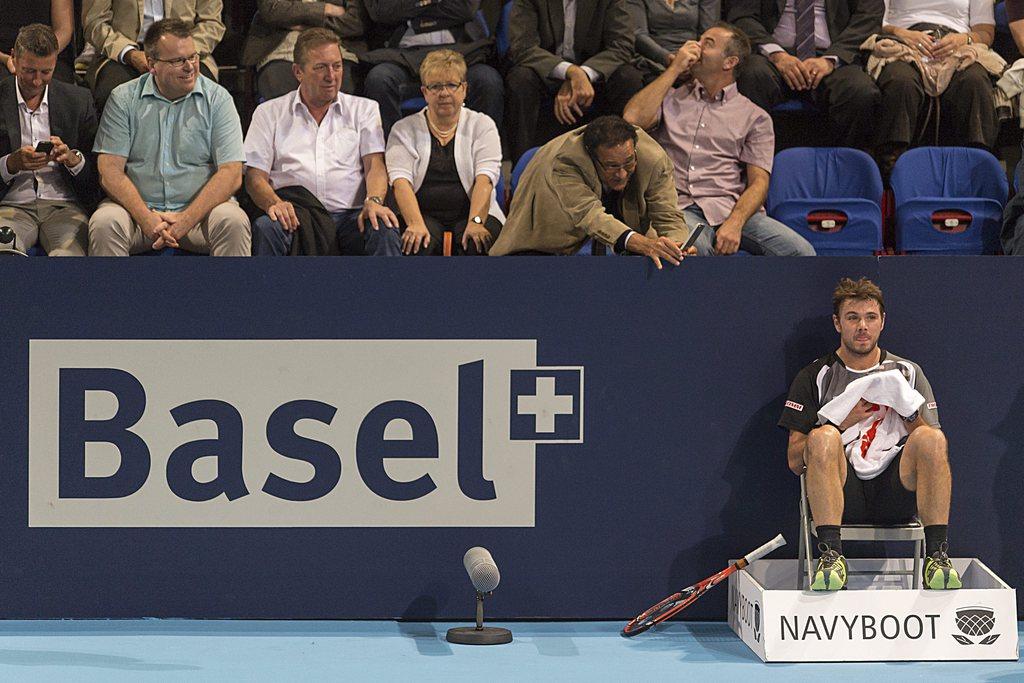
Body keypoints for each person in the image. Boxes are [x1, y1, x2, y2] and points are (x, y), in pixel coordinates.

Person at [779, 277, 959, 591]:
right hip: (840, 492)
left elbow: (932, 452)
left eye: (870, 317)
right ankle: (831, 555)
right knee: (822, 437)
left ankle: (938, 556)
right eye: (853, 318)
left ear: (882, 322)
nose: (862, 326)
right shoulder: (815, 375)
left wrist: (904, 407)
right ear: (838, 323)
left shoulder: (907, 372)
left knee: (933, 438)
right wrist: (840, 421)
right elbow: (795, 460)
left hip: (896, 491)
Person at [624, 22, 815, 256]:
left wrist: (735, 223)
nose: (694, 47)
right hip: (679, 208)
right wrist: (674, 69)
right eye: (699, 40)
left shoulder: (755, 116)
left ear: (730, 62)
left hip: (730, 208)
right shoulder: (670, 98)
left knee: (801, 253)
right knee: (696, 251)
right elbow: (632, 119)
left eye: (708, 44)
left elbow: (759, 183)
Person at [89, 19, 250, 256]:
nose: (190, 67)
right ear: (152, 63)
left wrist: (184, 221)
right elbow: (110, 171)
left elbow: (231, 173)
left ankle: (230, 295)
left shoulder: (218, 99)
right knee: (105, 222)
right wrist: (146, 218)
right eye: (178, 60)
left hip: (199, 217)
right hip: (139, 216)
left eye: (193, 57)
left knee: (233, 221)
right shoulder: (123, 99)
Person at [244, 28, 399, 256]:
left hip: (351, 215)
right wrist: (273, 203)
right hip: (297, 216)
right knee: (268, 226)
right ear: (298, 71)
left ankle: (386, 293)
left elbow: (374, 165)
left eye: (337, 66)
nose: (331, 75)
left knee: (382, 225)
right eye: (320, 67)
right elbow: (255, 177)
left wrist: (374, 200)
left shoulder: (364, 109)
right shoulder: (269, 113)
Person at [489, 115, 694, 267]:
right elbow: (590, 216)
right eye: (612, 166)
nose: (622, 174)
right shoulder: (565, 162)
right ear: (592, 158)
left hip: (625, 218)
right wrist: (645, 244)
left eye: (628, 163)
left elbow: (668, 215)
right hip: (548, 226)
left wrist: (676, 247)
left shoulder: (655, 159)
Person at [386, 49, 504, 256]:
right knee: (414, 244)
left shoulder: (483, 125)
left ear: (464, 89)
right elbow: (400, 183)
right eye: (436, 86)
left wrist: (476, 222)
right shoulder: (403, 129)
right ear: (424, 92)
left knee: (478, 243)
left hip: (473, 213)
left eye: (451, 85)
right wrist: (415, 223)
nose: (444, 93)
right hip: (421, 214)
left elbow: (485, 180)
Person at [728, 0, 882, 149]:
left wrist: (831, 59)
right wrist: (776, 54)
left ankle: (841, 167)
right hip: (772, 54)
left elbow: (870, 16)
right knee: (752, 74)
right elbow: (742, 16)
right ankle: (753, 166)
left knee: (859, 90)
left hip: (832, 55)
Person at [505, 0, 644, 163]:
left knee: (628, 77)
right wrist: (570, 72)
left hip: (595, 74)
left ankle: (621, 164)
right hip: (546, 73)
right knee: (520, 79)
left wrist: (583, 74)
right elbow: (523, 47)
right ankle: (524, 170)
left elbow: (621, 46)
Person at [0, 24, 97, 256]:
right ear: (13, 58)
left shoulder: (77, 101)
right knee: (4, 254)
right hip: (10, 206)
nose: (36, 81)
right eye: (29, 70)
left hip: (64, 207)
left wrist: (74, 161)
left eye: (46, 72)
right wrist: (10, 164)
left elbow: (98, 175)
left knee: (67, 262)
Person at [359, 0, 503, 136]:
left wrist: (414, 16)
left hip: (460, 52)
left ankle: (480, 155)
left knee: (487, 81)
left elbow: (465, 9)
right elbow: (384, 12)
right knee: (379, 79)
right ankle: (392, 156)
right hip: (403, 55)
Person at [874, 0, 997, 159]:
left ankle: (976, 165)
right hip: (903, 38)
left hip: (958, 43)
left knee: (975, 81)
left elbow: (985, 32)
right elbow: (873, 20)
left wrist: (963, 39)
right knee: (900, 81)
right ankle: (892, 168)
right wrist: (901, 33)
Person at [82, 0, 225, 112]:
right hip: (124, 51)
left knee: (207, 93)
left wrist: (182, 54)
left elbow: (212, 23)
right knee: (110, 93)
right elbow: (95, 22)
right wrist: (129, 54)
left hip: (186, 48)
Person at [242, 0, 364, 101]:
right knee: (281, 91)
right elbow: (272, 10)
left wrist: (305, 22)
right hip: (280, 46)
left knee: (340, 89)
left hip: (336, 44)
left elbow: (355, 22)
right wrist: (325, 9)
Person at [627, 0, 720, 81]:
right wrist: (670, 60)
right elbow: (639, 34)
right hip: (652, 57)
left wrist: (692, 60)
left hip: (695, 57)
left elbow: (708, 33)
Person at [0, 0, 76, 83]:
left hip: (47, 53)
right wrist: (7, 59)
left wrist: (43, 55)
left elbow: (64, 29)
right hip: (3, 56)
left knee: (53, 85)